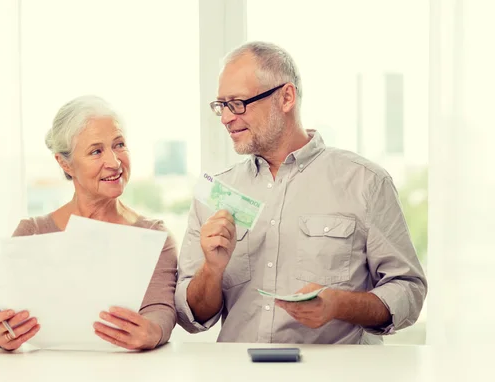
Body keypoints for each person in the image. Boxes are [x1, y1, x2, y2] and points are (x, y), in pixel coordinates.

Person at [175, 41, 428, 344]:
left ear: (286, 97)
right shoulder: (214, 193)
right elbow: (192, 319)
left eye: (238, 103)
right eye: (222, 106)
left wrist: (340, 304)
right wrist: (212, 271)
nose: (227, 118)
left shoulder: (365, 182)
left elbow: (409, 290)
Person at [0, 95, 178, 351]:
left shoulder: (154, 235)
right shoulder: (33, 233)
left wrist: (153, 330)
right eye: (96, 151)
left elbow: (160, 307)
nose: (114, 162)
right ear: (65, 163)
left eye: (119, 145)